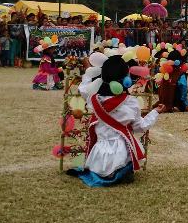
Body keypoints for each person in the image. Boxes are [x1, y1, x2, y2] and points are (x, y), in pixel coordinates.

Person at [69, 54, 166, 187]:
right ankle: (121, 171)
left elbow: (83, 89)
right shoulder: (130, 102)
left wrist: (87, 75)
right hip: (122, 154)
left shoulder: (93, 99)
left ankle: (106, 172)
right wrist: (155, 112)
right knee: (126, 159)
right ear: (126, 80)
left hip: (97, 157)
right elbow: (140, 127)